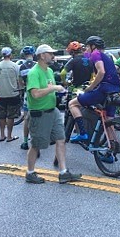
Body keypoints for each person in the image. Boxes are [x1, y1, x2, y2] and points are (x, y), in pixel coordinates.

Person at [25, 44, 82, 184]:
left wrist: (58, 90)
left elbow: (49, 88)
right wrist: (53, 88)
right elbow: (35, 93)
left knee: (61, 139)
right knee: (36, 144)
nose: (53, 56)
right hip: (39, 113)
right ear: (42, 55)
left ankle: (63, 172)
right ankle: (30, 173)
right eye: (50, 53)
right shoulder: (34, 72)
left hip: (53, 111)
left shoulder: (49, 70)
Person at [68, 36, 120, 142]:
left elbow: (101, 72)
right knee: (108, 120)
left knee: (72, 104)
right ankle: (113, 147)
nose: (86, 48)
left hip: (104, 89)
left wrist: (90, 88)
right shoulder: (107, 56)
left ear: (93, 46)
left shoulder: (96, 54)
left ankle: (82, 133)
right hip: (115, 90)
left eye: (88, 46)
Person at [0, 47, 21, 142]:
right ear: (10, 55)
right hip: (13, 94)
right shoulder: (15, 66)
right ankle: (9, 136)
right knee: (11, 116)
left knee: (2, 116)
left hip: (1, 94)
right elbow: (19, 80)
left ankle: (2, 135)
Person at [18, 46, 37, 150]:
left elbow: (20, 82)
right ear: (33, 54)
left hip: (27, 94)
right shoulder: (38, 66)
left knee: (26, 118)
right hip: (38, 94)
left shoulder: (21, 67)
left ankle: (25, 142)